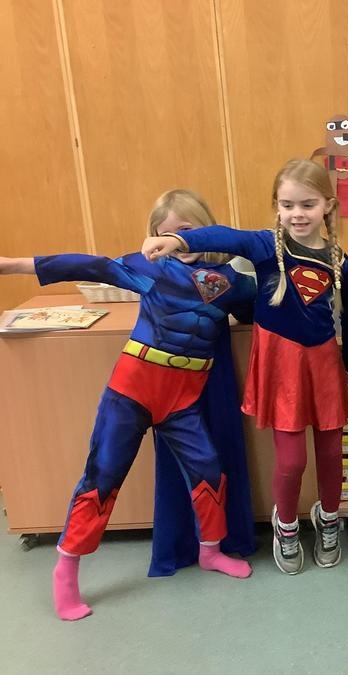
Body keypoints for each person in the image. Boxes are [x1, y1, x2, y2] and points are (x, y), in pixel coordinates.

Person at [0, 189, 258, 620]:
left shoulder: (228, 281)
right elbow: (90, 265)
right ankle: (66, 570)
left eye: (186, 230)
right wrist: (13, 265)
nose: (176, 240)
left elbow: (258, 304)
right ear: (153, 237)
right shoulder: (149, 268)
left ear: (207, 229)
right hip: (132, 390)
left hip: (184, 397)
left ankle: (211, 551)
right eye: (165, 233)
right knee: (103, 476)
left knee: (209, 471)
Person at [143, 159, 348, 574]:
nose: (298, 214)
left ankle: (329, 518)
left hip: (324, 365)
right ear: (277, 206)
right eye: (288, 205)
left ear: (328, 206)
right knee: (292, 460)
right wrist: (176, 239)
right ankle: (286, 525)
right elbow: (224, 236)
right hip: (282, 366)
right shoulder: (264, 246)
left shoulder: (340, 261)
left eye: (308, 204)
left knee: (332, 453)